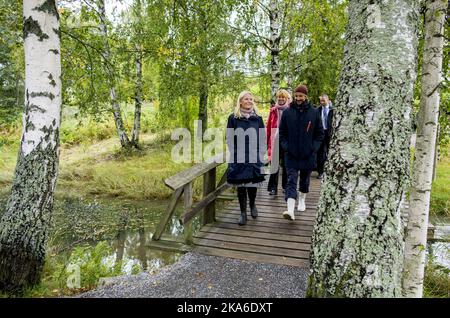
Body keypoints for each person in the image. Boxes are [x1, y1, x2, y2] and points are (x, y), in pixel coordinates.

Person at [278, 84, 324, 220]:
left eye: (301, 96)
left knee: (304, 180)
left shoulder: (314, 113)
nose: (298, 98)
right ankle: (290, 210)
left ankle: (302, 199)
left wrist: (313, 148)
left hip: (308, 154)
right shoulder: (287, 112)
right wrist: (286, 147)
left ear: (306, 97)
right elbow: (282, 133)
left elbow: (319, 134)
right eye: (296, 95)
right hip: (291, 154)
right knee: (291, 180)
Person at [226, 91, 266, 226]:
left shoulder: (258, 118)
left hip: (254, 156)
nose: (249, 101)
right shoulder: (233, 118)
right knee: (241, 186)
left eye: (251, 99)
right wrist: (235, 153)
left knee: (252, 184)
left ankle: (253, 205)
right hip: (239, 157)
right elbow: (230, 138)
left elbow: (262, 137)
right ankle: (243, 213)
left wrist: (261, 153)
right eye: (246, 99)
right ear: (240, 102)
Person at [266, 89, 291, 195]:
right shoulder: (273, 111)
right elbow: (268, 127)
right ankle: (273, 188)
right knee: (274, 165)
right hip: (274, 140)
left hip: (286, 141)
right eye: (279, 97)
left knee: (286, 165)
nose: (280, 99)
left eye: (283, 97)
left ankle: (285, 187)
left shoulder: (291, 110)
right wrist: (266, 142)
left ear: (286, 99)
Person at [316, 94, 334, 179]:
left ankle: (331, 171)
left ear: (328, 100)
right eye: (321, 101)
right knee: (320, 153)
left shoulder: (333, 110)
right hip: (320, 133)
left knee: (331, 152)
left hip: (330, 133)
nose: (322, 102)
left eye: (323, 101)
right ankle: (320, 172)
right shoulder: (317, 110)